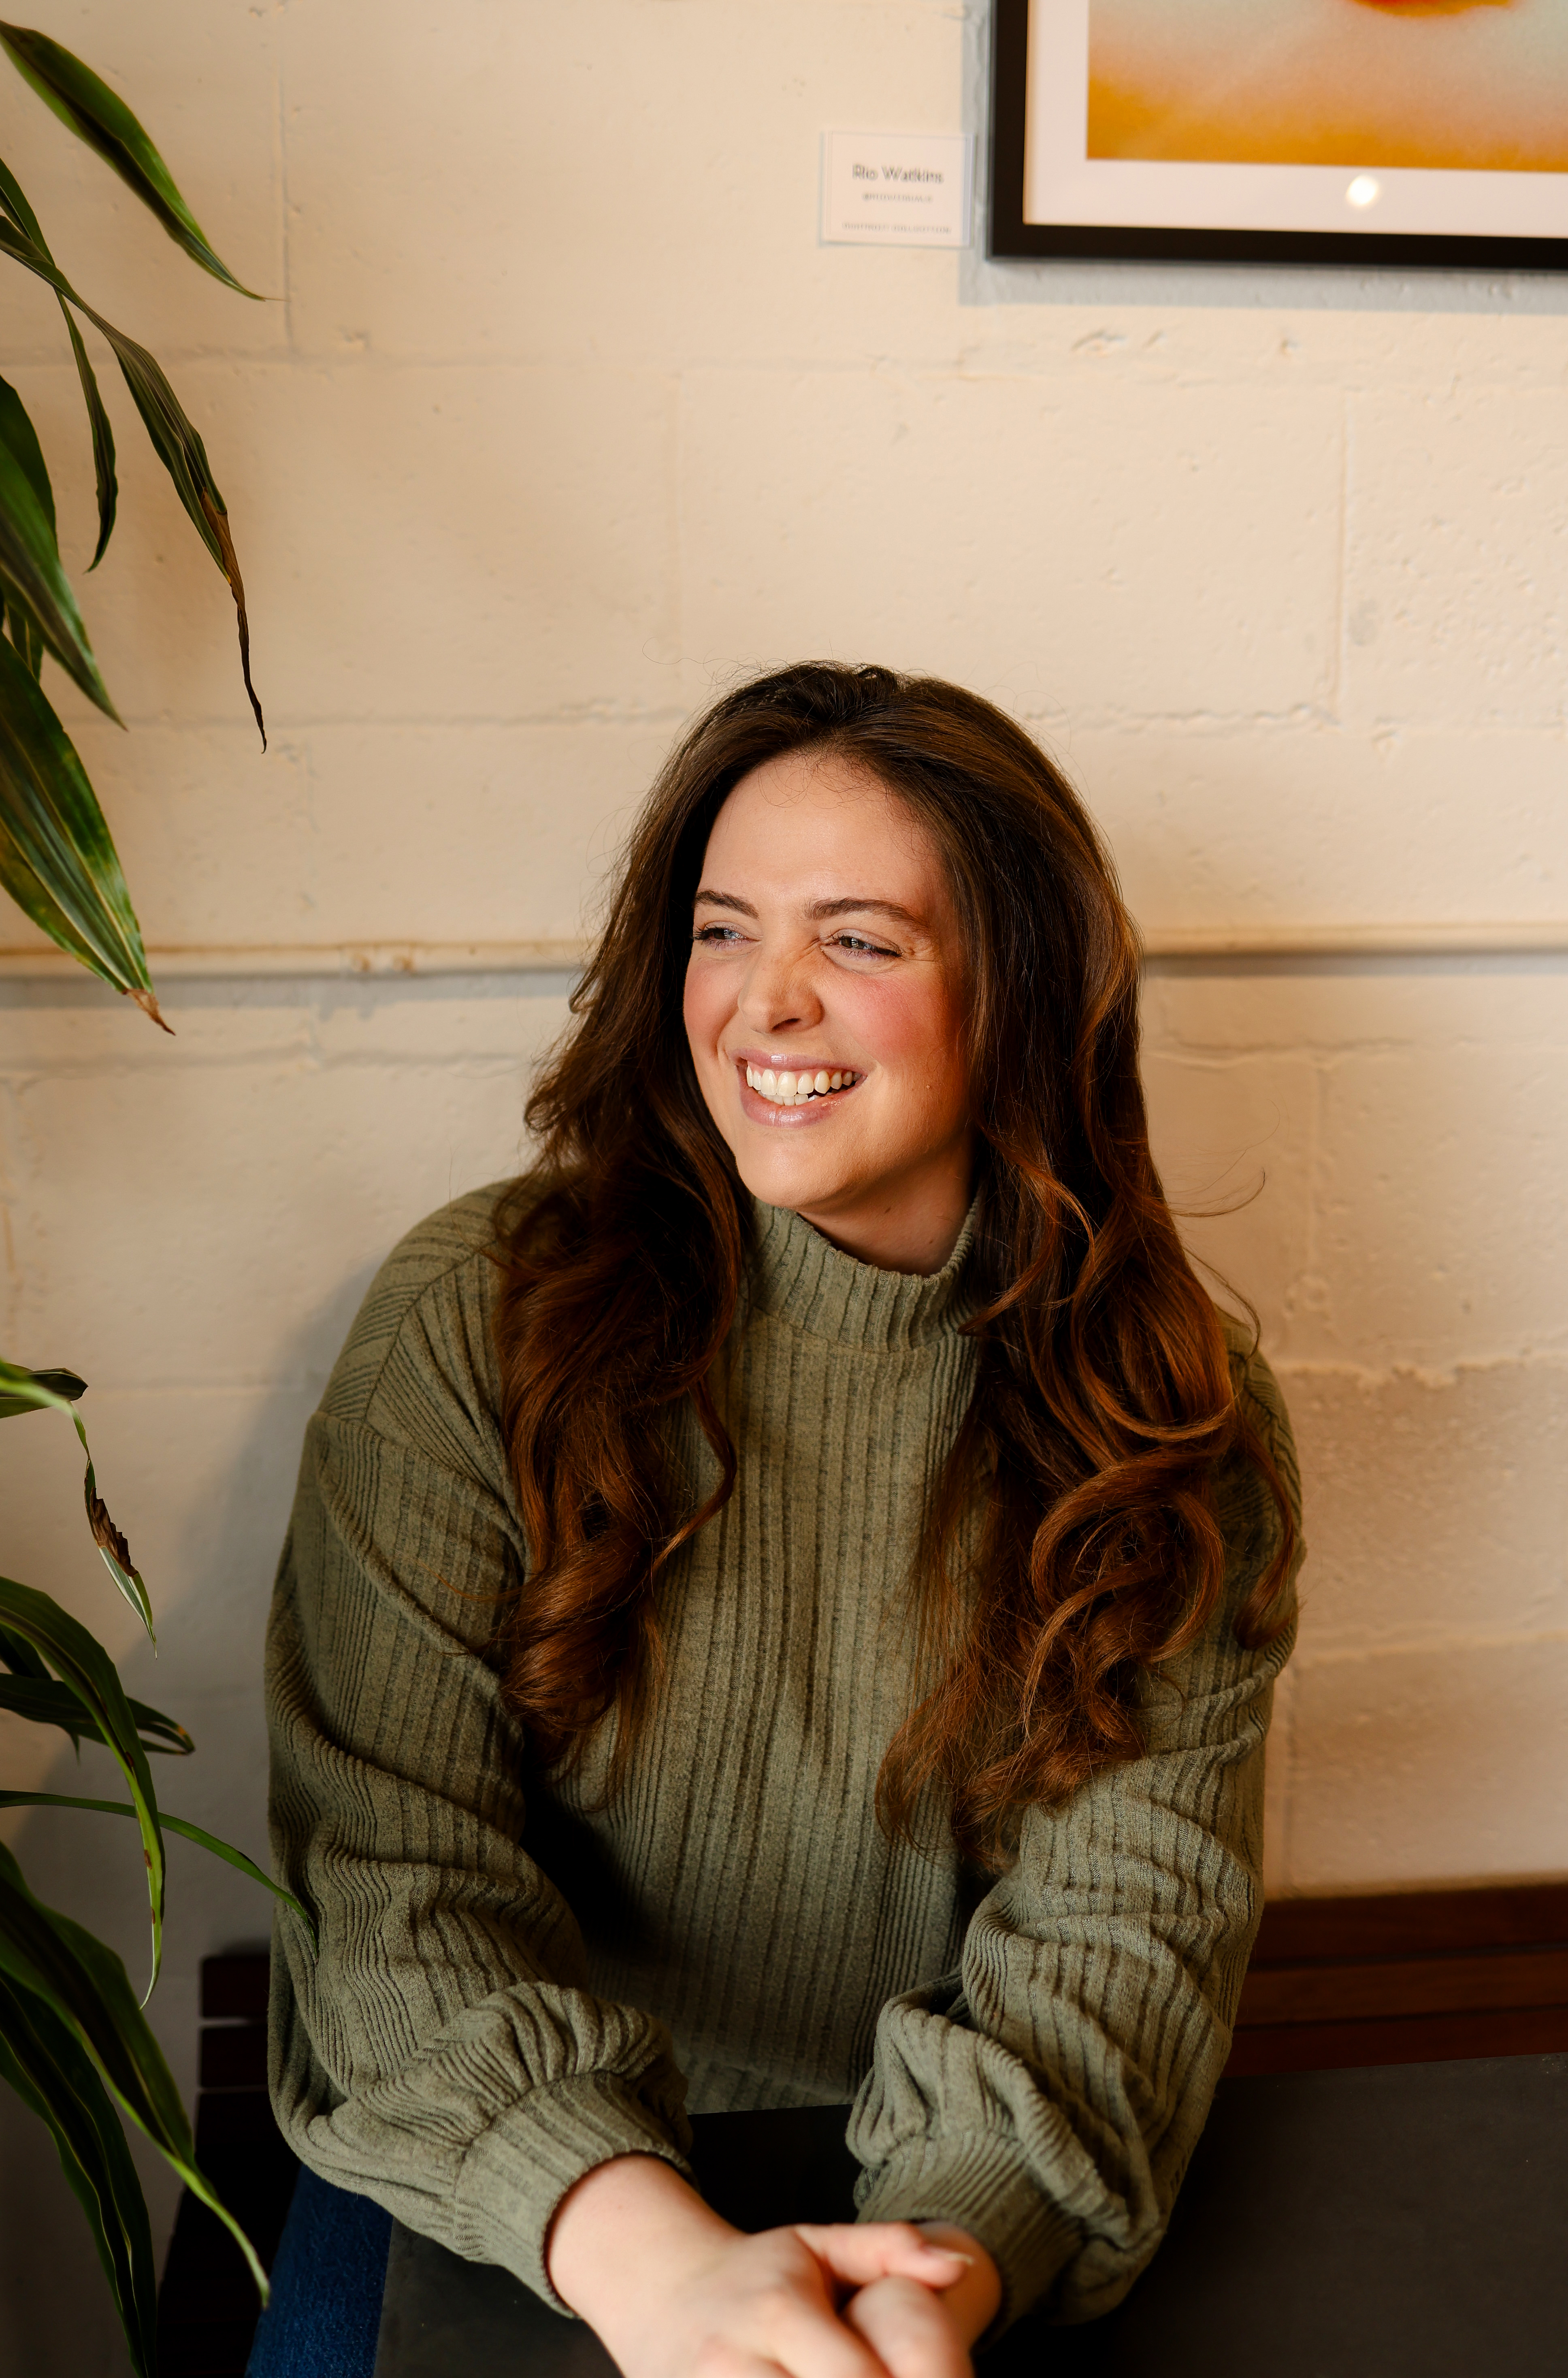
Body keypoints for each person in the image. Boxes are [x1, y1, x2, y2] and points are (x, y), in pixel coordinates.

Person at [254, 662, 1302, 2378]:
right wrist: (657, 2265)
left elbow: (1120, 1936)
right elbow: (388, 1890)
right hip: (499, 2191)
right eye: (723, 930)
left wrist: (918, 2283)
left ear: (1017, 996)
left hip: (939, 2213)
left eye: (859, 940)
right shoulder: (474, 1318)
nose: (764, 1004)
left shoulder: (1171, 1419)